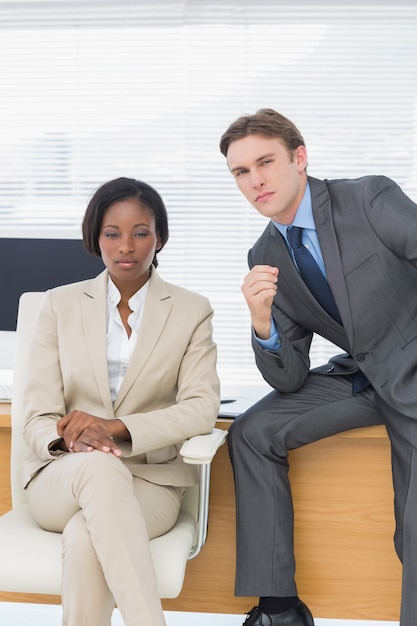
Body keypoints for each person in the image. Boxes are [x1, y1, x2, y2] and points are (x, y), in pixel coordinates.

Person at [219, 108, 417, 626]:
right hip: (360, 375)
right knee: (251, 432)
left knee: (413, 527)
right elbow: (289, 376)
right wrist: (262, 321)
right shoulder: (263, 253)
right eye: (241, 171)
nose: (255, 179)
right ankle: (280, 610)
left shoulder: (368, 199)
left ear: (299, 158)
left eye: (265, 162)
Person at [22, 177, 220, 626]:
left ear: (160, 237)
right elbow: (35, 415)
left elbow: (201, 407)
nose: (125, 246)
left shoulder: (191, 310)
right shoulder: (59, 305)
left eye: (140, 232)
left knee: (86, 538)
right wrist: (71, 440)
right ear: (96, 238)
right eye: (112, 233)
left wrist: (112, 429)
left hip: (150, 482)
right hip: (64, 477)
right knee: (97, 466)